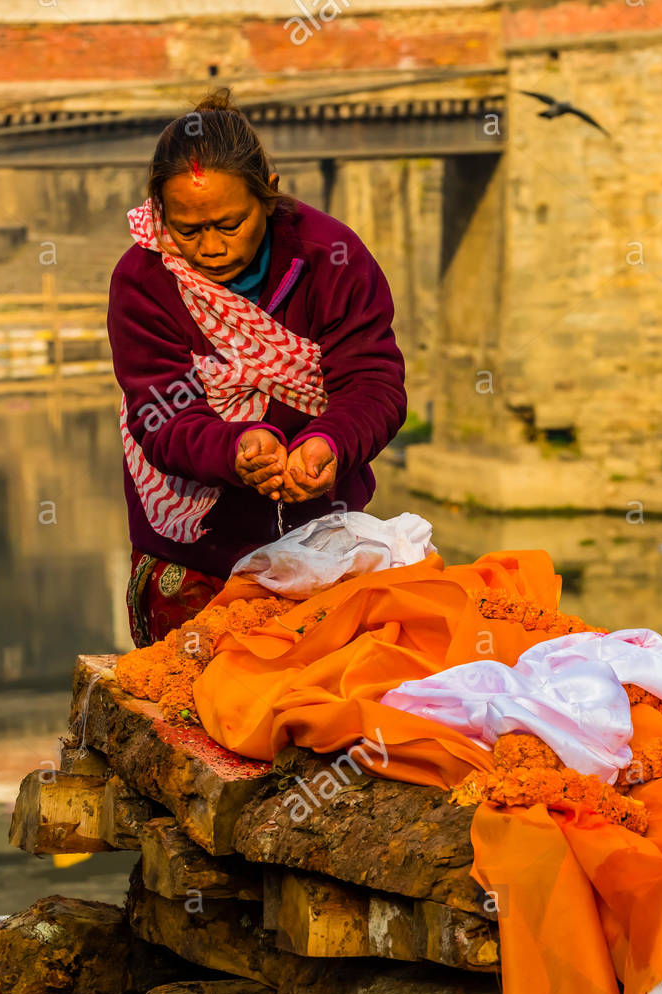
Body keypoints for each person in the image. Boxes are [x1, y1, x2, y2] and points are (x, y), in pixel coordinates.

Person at [107, 88, 407, 647]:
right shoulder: (144, 280)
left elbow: (373, 380)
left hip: (320, 530)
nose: (212, 248)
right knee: (196, 702)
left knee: (313, 700)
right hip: (195, 549)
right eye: (189, 230)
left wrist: (330, 443)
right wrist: (239, 450)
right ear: (159, 213)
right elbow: (159, 415)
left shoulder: (329, 257)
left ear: (267, 195)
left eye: (230, 223)